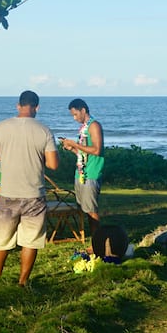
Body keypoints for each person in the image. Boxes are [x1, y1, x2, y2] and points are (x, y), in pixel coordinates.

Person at [0, 90, 59, 286]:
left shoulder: (1, 127)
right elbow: (53, 164)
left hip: (8, 192)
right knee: (30, 240)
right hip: (34, 193)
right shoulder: (44, 130)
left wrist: (8, 155)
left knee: (1, 238)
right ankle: (23, 281)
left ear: (18, 105)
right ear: (37, 107)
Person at [59, 98, 104, 237]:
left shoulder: (94, 126)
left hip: (91, 173)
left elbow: (97, 150)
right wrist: (72, 148)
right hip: (80, 173)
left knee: (91, 210)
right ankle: (88, 237)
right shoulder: (84, 128)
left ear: (83, 110)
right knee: (83, 209)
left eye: (75, 114)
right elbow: (83, 153)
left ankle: (97, 241)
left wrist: (75, 144)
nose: (74, 118)